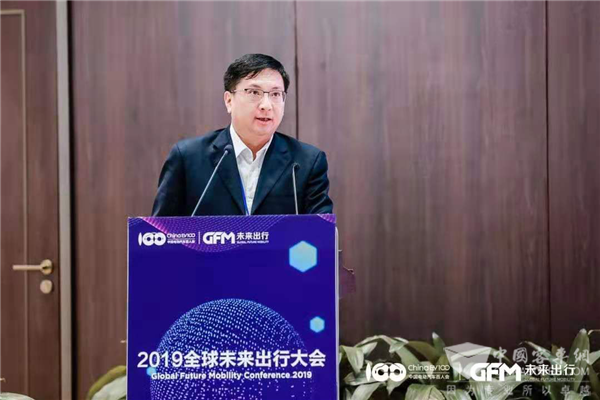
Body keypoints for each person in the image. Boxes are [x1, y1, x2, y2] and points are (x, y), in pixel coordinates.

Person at [152, 54, 333, 216]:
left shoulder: (306, 162)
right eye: (254, 92)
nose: (266, 105)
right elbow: (158, 234)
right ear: (229, 101)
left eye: (276, 94)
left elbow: (321, 234)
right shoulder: (188, 158)